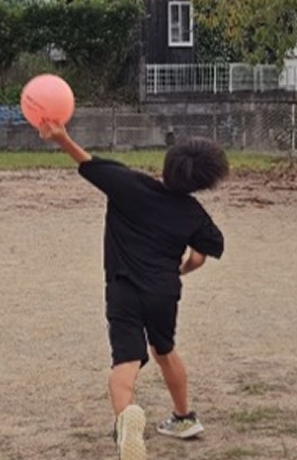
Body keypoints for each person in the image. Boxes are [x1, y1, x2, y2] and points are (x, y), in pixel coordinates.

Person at [36, 120, 228, 460]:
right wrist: (182, 268)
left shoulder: (128, 184)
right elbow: (200, 254)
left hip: (124, 287)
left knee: (125, 361)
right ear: (202, 183)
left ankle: (126, 422)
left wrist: (62, 137)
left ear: (168, 163)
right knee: (164, 349)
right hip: (164, 291)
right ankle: (184, 417)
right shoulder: (194, 214)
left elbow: (86, 161)